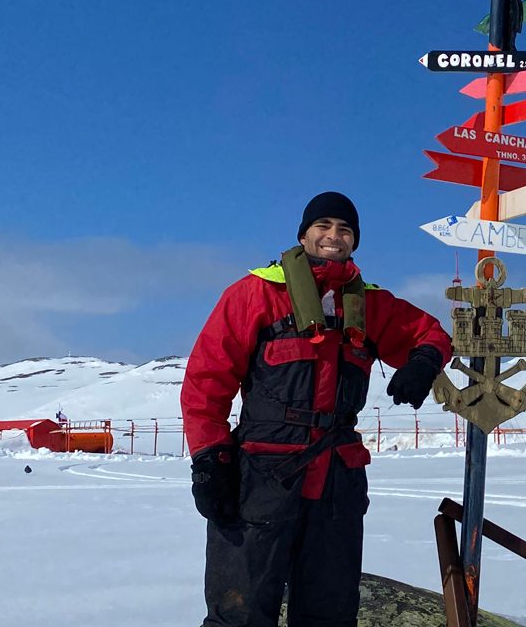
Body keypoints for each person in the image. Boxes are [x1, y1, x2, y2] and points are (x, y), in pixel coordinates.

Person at [181, 191, 452, 627]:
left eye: (345, 229)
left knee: (329, 614)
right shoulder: (254, 294)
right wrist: (210, 460)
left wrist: (424, 361)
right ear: (303, 234)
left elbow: (432, 333)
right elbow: (205, 381)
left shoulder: (369, 303)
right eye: (323, 226)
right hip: (260, 479)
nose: (334, 236)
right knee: (240, 613)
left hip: (336, 484)